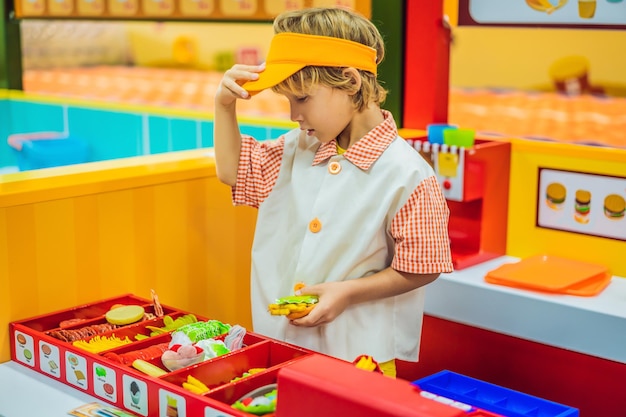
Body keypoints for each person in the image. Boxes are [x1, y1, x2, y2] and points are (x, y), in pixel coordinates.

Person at [213, 6, 453, 378]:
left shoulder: (407, 173)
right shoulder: (295, 149)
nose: (294, 114)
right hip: (282, 347)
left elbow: (422, 267)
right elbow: (232, 171)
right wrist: (223, 106)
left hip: (359, 357)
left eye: (302, 99)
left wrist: (347, 293)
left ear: (351, 82)